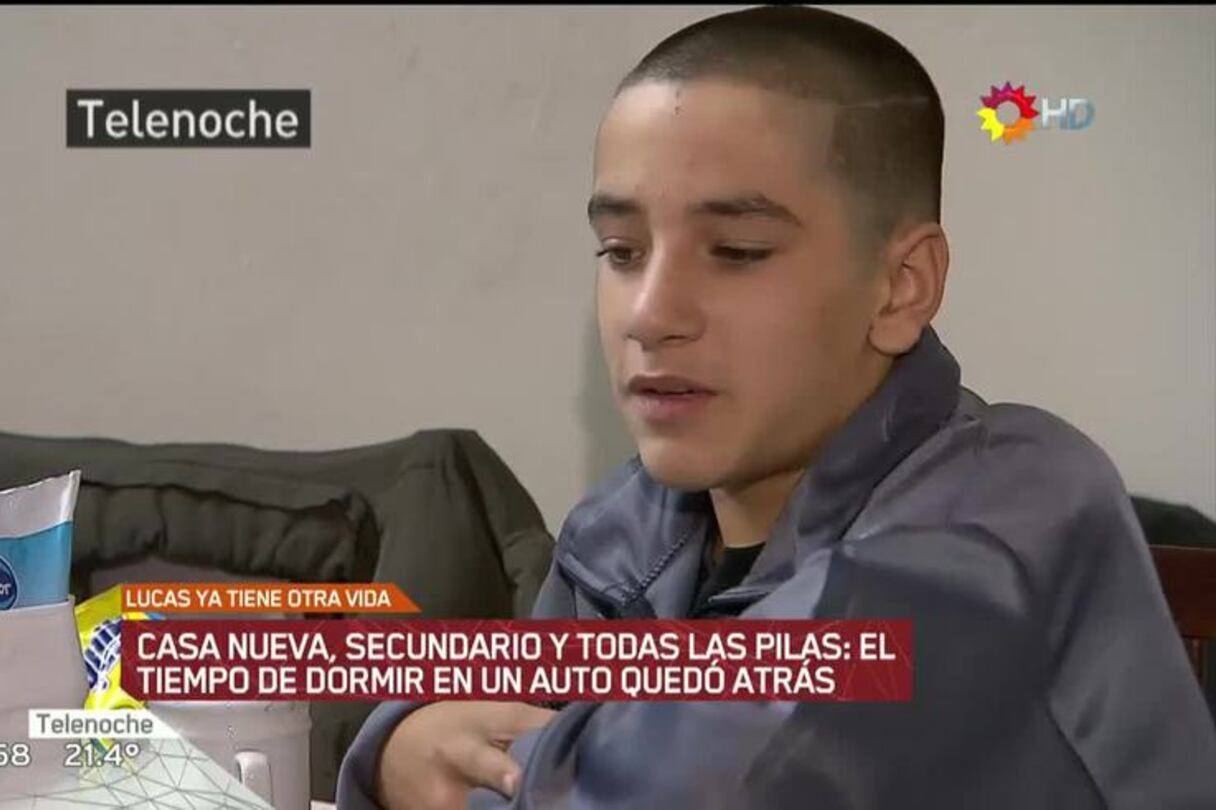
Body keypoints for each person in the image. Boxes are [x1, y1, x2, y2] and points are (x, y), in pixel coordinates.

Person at [336, 6, 1216, 808]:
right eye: (621, 250)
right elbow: (486, 736)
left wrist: (430, 764)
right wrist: (401, 742)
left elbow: (684, 787)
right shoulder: (624, 529)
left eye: (738, 251)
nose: (650, 314)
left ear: (901, 286)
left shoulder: (1015, 511)